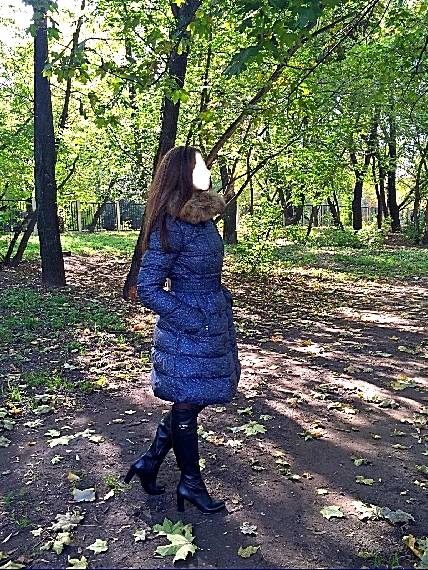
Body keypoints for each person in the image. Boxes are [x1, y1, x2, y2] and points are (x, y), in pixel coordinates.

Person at [124, 146, 240, 514]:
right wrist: (192, 318)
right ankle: (191, 483)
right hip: (188, 329)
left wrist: (217, 303)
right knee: (188, 404)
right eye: (200, 164)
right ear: (183, 173)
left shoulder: (203, 217)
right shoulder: (172, 224)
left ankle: (150, 461)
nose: (207, 169)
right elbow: (148, 288)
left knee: (196, 398)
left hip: (212, 320)